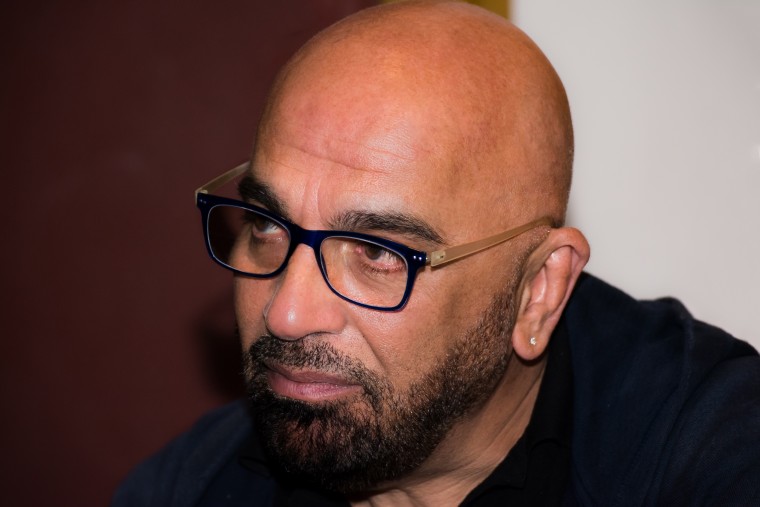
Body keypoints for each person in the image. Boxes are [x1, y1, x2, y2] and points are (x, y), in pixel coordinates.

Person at [113, 1, 760, 505]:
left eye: (377, 251)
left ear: (538, 290)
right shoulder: (189, 487)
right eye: (267, 225)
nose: (286, 314)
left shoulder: (711, 449)